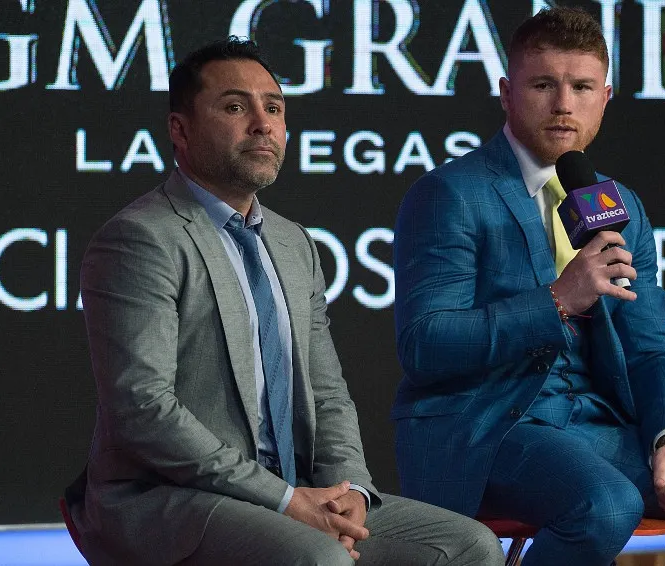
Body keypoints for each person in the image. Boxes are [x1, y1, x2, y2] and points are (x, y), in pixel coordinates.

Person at [392, 6, 665, 565]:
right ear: (506, 92)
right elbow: (425, 345)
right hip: (489, 429)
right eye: (543, 84)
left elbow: (651, 343)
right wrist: (556, 301)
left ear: (606, 96)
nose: (564, 103)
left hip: (599, 429)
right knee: (607, 505)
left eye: (581, 86)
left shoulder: (619, 205)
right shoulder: (451, 193)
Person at [65, 37, 503, 566]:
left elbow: (327, 391)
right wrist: (285, 501)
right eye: (234, 106)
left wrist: (352, 493)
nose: (262, 123)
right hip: (168, 498)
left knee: (469, 546)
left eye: (273, 107)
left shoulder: (294, 243)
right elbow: (143, 412)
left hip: (294, 490)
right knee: (320, 559)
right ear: (179, 130)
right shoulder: (142, 238)